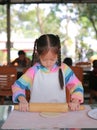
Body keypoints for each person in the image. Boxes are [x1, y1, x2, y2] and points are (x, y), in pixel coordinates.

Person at [12, 34, 84, 112]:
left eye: (52, 59)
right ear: (38, 55)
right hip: (36, 113)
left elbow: (77, 86)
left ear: (58, 53)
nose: (48, 63)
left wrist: (75, 100)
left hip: (59, 112)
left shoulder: (64, 69)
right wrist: (22, 100)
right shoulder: (34, 70)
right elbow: (17, 86)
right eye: (44, 60)